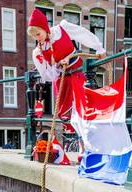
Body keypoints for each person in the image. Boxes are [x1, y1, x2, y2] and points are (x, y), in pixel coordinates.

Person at [27, 9, 106, 162]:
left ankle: (86, 149)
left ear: (45, 27)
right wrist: (57, 66)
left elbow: (82, 34)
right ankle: (82, 148)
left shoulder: (62, 29)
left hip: (77, 74)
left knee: (83, 111)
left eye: (38, 34)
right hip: (62, 81)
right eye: (34, 36)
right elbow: (48, 75)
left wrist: (99, 48)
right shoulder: (37, 52)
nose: (38, 39)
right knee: (70, 117)